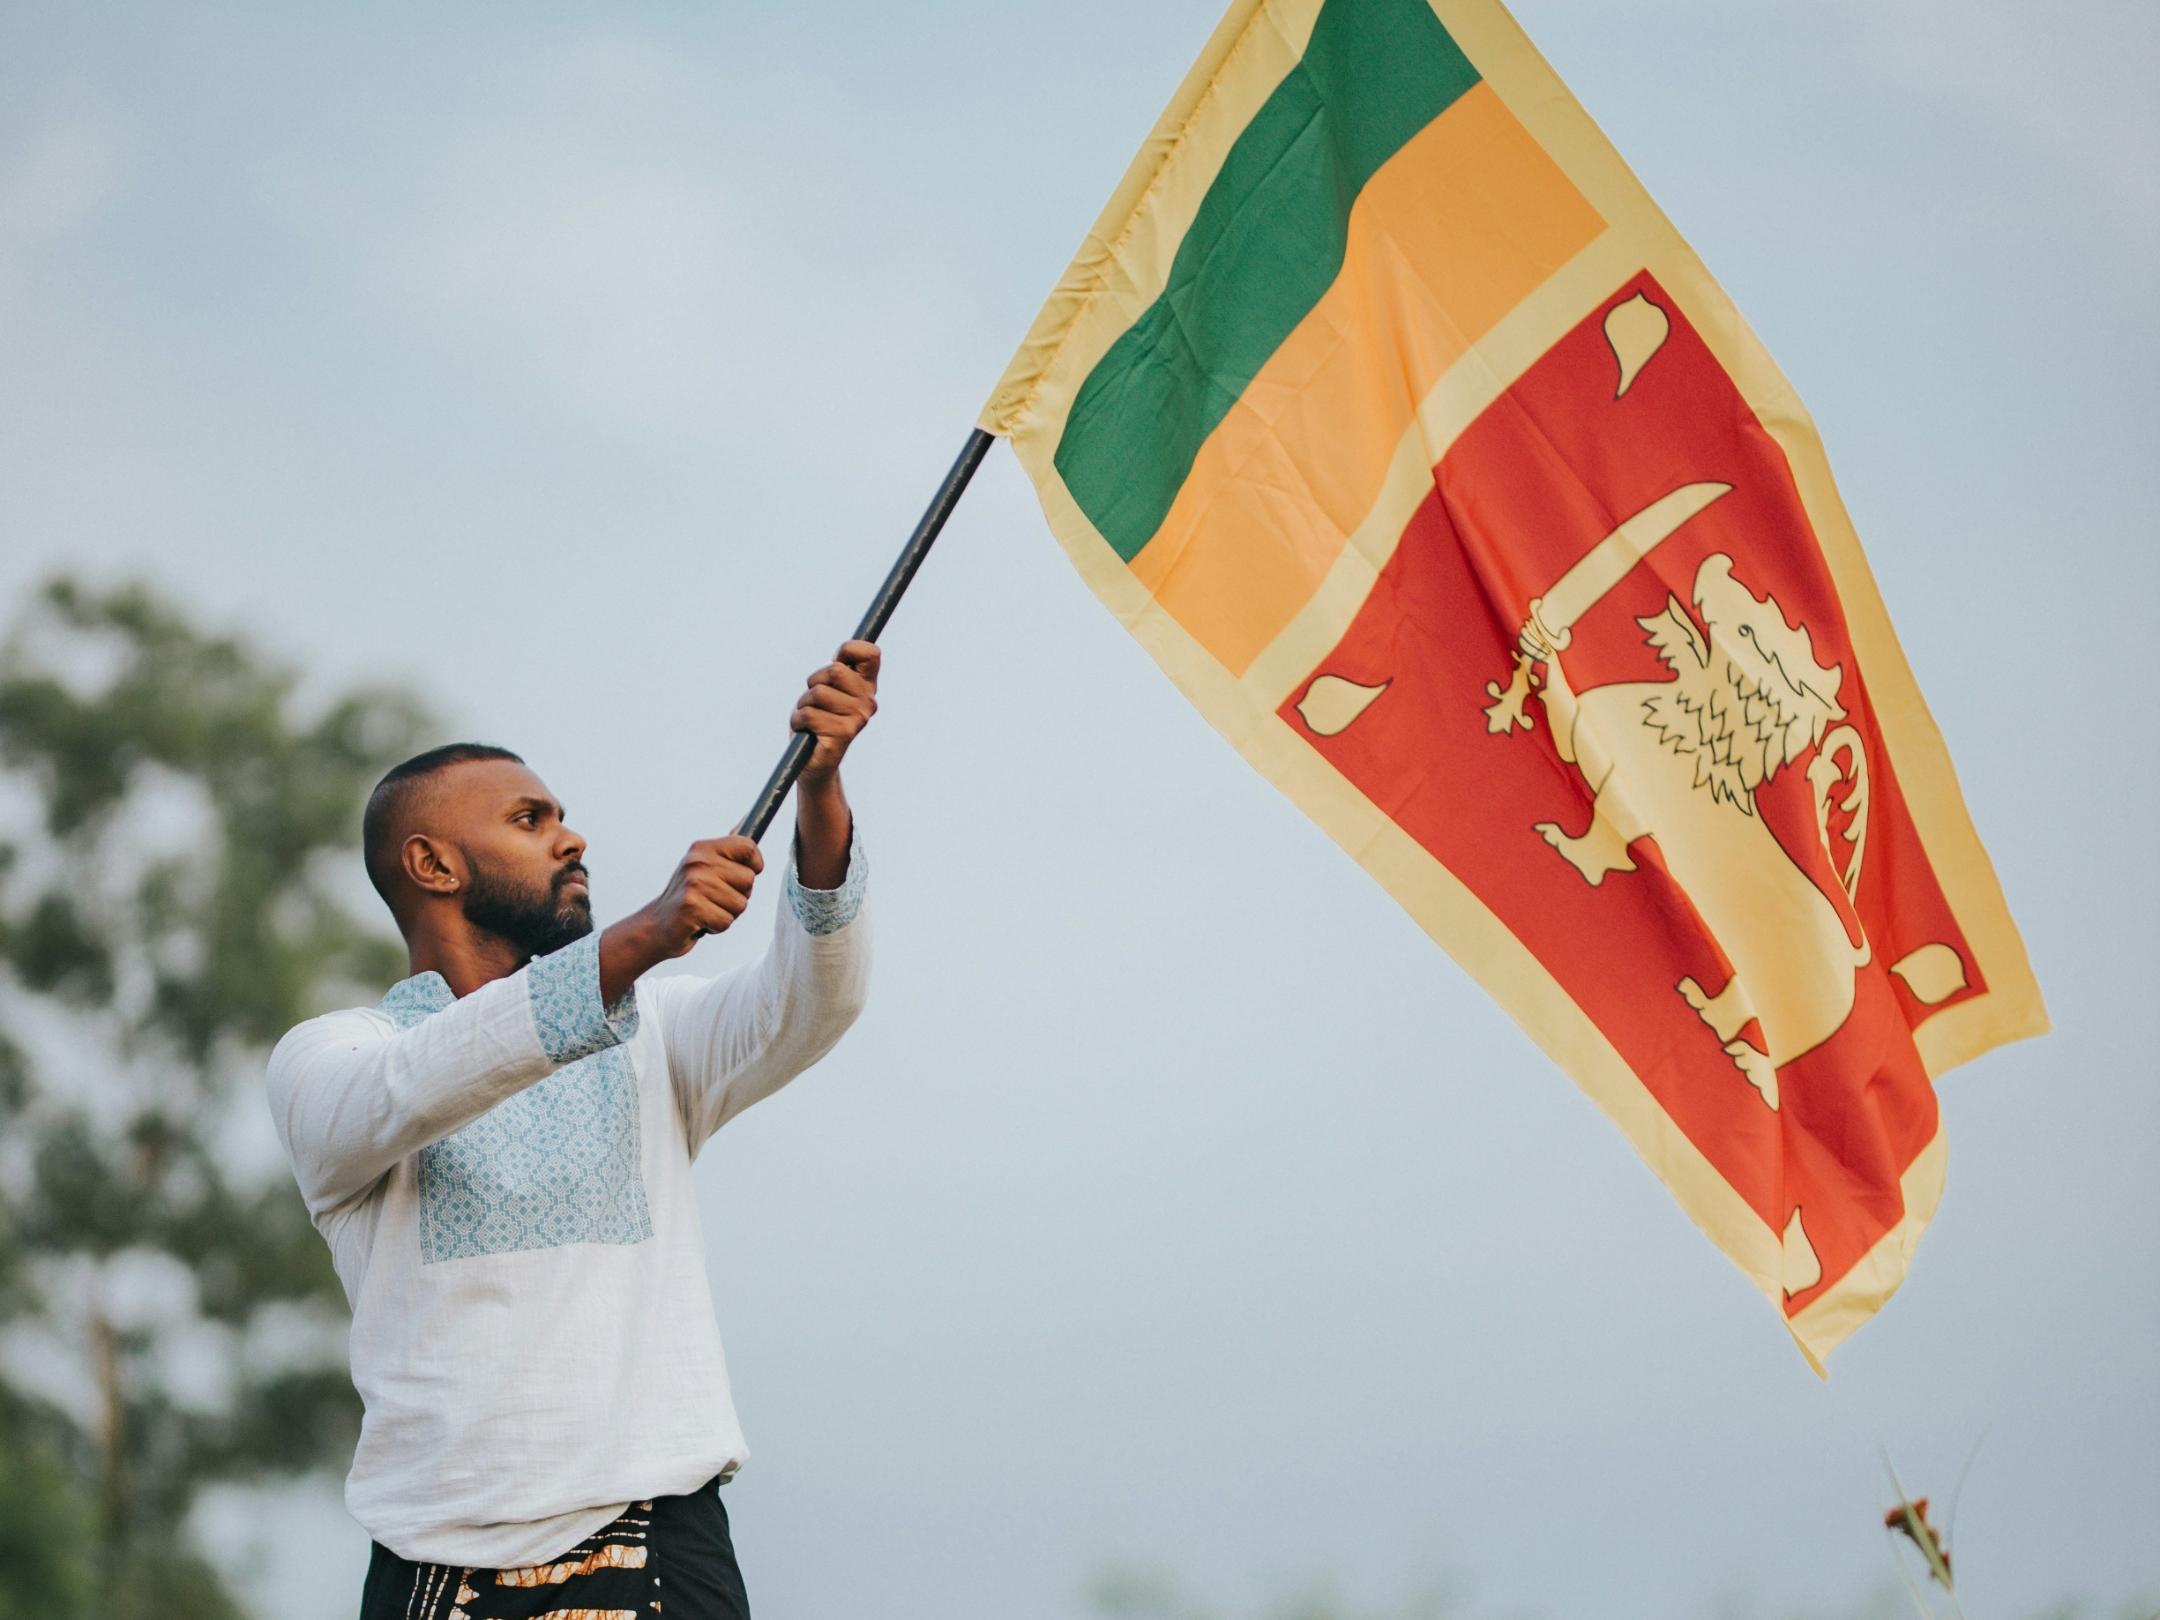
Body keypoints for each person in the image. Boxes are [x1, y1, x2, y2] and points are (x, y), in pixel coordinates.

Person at [265, 640, 884, 1619]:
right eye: (530, 819)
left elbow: (814, 1003)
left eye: (561, 816)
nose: (572, 838)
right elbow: (424, 1077)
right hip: (433, 1566)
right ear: (431, 863)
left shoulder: (658, 1037)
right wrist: (642, 936)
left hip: (657, 1545)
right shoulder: (336, 1057)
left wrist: (820, 793)